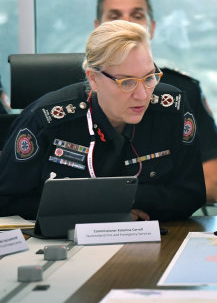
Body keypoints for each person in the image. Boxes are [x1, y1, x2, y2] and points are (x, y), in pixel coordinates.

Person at [0, 20, 206, 221]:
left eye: (149, 77)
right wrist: (102, 214)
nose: (143, 95)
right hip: (63, 243)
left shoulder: (172, 109)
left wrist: (125, 202)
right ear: (93, 79)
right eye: (127, 82)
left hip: (150, 240)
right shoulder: (45, 119)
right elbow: (7, 201)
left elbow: (191, 195)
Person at [95, 0, 217, 204]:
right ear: (98, 28)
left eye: (137, 16)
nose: (127, 24)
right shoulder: (75, 95)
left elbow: (213, 186)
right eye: (115, 16)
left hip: (163, 224)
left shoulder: (181, 92)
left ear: (152, 28)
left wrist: (133, 202)